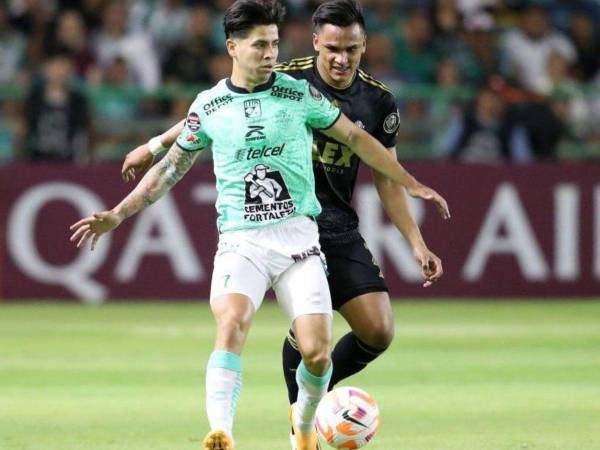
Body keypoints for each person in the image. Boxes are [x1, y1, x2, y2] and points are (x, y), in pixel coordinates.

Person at [120, 1, 448, 448]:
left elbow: (385, 176)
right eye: (331, 47)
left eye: (351, 49)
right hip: (281, 221)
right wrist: (157, 143)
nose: (340, 58)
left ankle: (309, 394)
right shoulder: (287, 76)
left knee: (378, 330)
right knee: (256, 326)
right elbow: (219, 106)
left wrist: (416, 240)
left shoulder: (378, 101)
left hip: (333, 226)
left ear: (364, 46)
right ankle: (301, 414)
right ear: (315, 43)